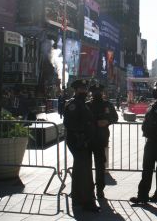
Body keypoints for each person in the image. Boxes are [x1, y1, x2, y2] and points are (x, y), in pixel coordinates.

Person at [63, 79, 99, 212]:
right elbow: (70, 124)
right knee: (84, 172)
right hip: (78, 141)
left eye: (85, 89)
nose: (85, 91)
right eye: (82, 89)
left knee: (80, 171)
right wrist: (83, 133)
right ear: (76, 90)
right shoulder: (74, 104)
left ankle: (78, 198)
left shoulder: (82, 104)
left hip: (84, 141)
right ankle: (86, 202)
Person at [87, 83, 118, 200]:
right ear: (91, 93)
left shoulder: (107, 105)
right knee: (87, 166)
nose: (97, 94)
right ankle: (89, 189)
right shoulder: (87, 105)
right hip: (88, 139)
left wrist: (107, 121)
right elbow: (82, 121)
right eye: (95, 92)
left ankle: (100, 190)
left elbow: (115, 117)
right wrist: (95, 123)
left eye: (99, 92)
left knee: (100, 167)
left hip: (101, 139)